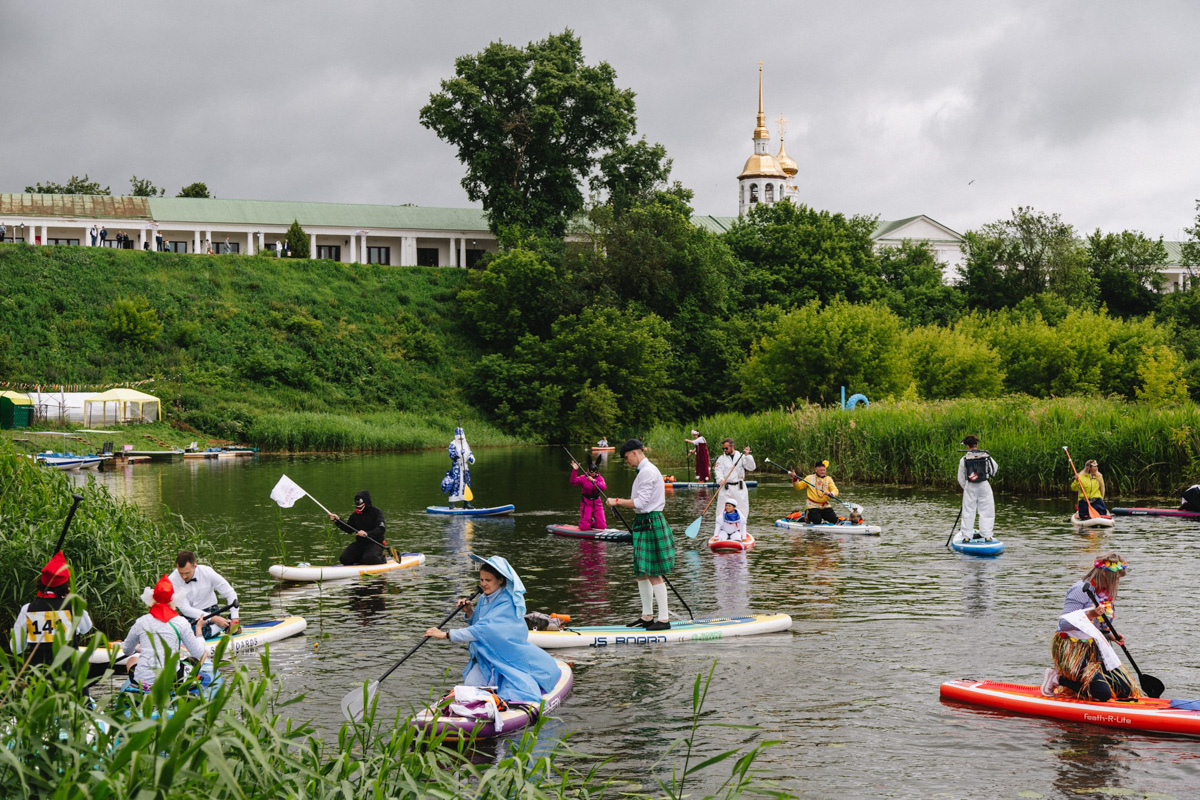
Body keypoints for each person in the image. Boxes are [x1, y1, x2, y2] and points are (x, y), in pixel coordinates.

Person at [424, 554, 562, 703]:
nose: (484, 584)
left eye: (488, 580)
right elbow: (477, 624)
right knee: (471, 683)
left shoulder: (507, 602)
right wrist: (469, 611)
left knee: (517, 690)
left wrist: (446, 634)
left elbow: (483, 630)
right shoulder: (484, 598)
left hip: (506, 654)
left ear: (500, 580)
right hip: (487, 656)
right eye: (482, 580)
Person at [1042, 554, 1141, 702]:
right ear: (1106, 575)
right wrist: (1090, 614)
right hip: (1073, 648)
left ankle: (1086, 683)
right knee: (1102, 694)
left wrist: (1110, 635)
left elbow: (1098, 627)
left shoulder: (1105, 594)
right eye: (1117, 578)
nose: (1119, 581)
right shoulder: (1080, 590)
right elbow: (1064, 624)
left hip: (1095, 649)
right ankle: (1057, 678)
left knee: (1124, 690)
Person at [606, 439, 674, 630]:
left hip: (651, 522)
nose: (627, 461)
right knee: (641, 572)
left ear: (635, 453)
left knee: (653, 572)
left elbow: (641, 503)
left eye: (627, 457)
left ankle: (664, 620)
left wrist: (617, 501)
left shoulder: (648, 472)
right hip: (644, 522)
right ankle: (647, 617)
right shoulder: (643, 472)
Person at [121, 575, 207, 691]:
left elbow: (126, 650)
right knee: (204, 653)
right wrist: (199, 629)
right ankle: (188, 683)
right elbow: (198, 652)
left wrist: (137, 648)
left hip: (142, 682)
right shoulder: (181, 622)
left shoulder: (141, 622)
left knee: (132, 660)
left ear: (152, 599)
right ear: (172, 600)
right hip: (171, 681)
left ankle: (141, 689)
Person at [11, 551, 93, 670]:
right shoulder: (73, 606)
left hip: (39, 677)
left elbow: (16, 648)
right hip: (69, 675)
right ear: (67, 585)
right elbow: (86, 629)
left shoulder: (27, 609)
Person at [168, 551, 240, 640]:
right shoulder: (172, 580)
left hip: (211, 610)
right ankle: (222, 627)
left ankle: (228, 624)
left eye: (187, 573)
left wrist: (235, 619)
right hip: (190, 615)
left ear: (195, 566)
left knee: (192, 635)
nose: (183, 577)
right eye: (180, 573)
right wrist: (214, 619)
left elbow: (230, 593)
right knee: (179, 632)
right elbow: (186, 609)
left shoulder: (207, 572)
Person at [330, 490, 387, 565]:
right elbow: (349, 529)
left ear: (366, 503)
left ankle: (382, 558)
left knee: (370, 558)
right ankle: (363, 559)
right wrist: (338, 521)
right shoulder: (355, 515)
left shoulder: (376, 512)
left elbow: (381, 529)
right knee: (344, 559)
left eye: (360, 506)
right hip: (360, 543)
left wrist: (367, 534)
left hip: (375, 543)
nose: (358, 508)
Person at [957, 435, 998, 540]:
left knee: (968, 511)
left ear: (967, 446)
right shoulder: (985, 456)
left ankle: (966, 536)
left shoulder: (964, 459)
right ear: (976, 444)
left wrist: (966, 488)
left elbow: (960, 477)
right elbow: (994, 468)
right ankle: (987, 535)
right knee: (987, 510)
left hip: (970, 485)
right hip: (984, 484)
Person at [713, 438, 755, 534]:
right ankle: (720, 530)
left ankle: (741, 530)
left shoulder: (741, 456)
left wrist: (747, 456)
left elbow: (751, 467)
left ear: (732, 447)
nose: (724, 450)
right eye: (723, 448)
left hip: (739, 487)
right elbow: (718, 471)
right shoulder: (721, 459)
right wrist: (720, 480)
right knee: (721, 509)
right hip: (726, 487)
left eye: (726, 448)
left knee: (742, 508)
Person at [789, 460, 839, 524]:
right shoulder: (809, 478)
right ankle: (806, 516)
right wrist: (795, 478)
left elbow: (835, 490)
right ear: (816, 470)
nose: (823, 472)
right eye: (821, 470)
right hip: (812, 506)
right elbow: (798, 487)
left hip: (825, 505)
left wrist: (831, 493)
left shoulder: (829, 479)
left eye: (824, 470)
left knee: (834, 520)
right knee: (817, 520)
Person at [440, 426, 475, 508]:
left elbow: (470, 453)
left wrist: (470, 458)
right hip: (457, 468)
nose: (461, 438)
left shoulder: (466, 444)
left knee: (467, 484)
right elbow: (451, 455)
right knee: (455, 484)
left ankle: (466, 503)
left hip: (465, 468)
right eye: (459, 435)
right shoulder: (453, 444)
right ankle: (452, 504)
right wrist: (459, 454)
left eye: (462, 435)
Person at [570, 459, 607, 531]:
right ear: (588, 470)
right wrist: (575, 470)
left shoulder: (600, 478)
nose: (593, 473)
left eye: (595, 472)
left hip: (597, 502)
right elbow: (573, 482)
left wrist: (594, 481)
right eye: (591, 471)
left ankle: (590, 522)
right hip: (586, 502)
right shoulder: (583, 478)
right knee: (584, 528)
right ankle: (585, 523)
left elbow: (603, 487)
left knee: (602, 526)